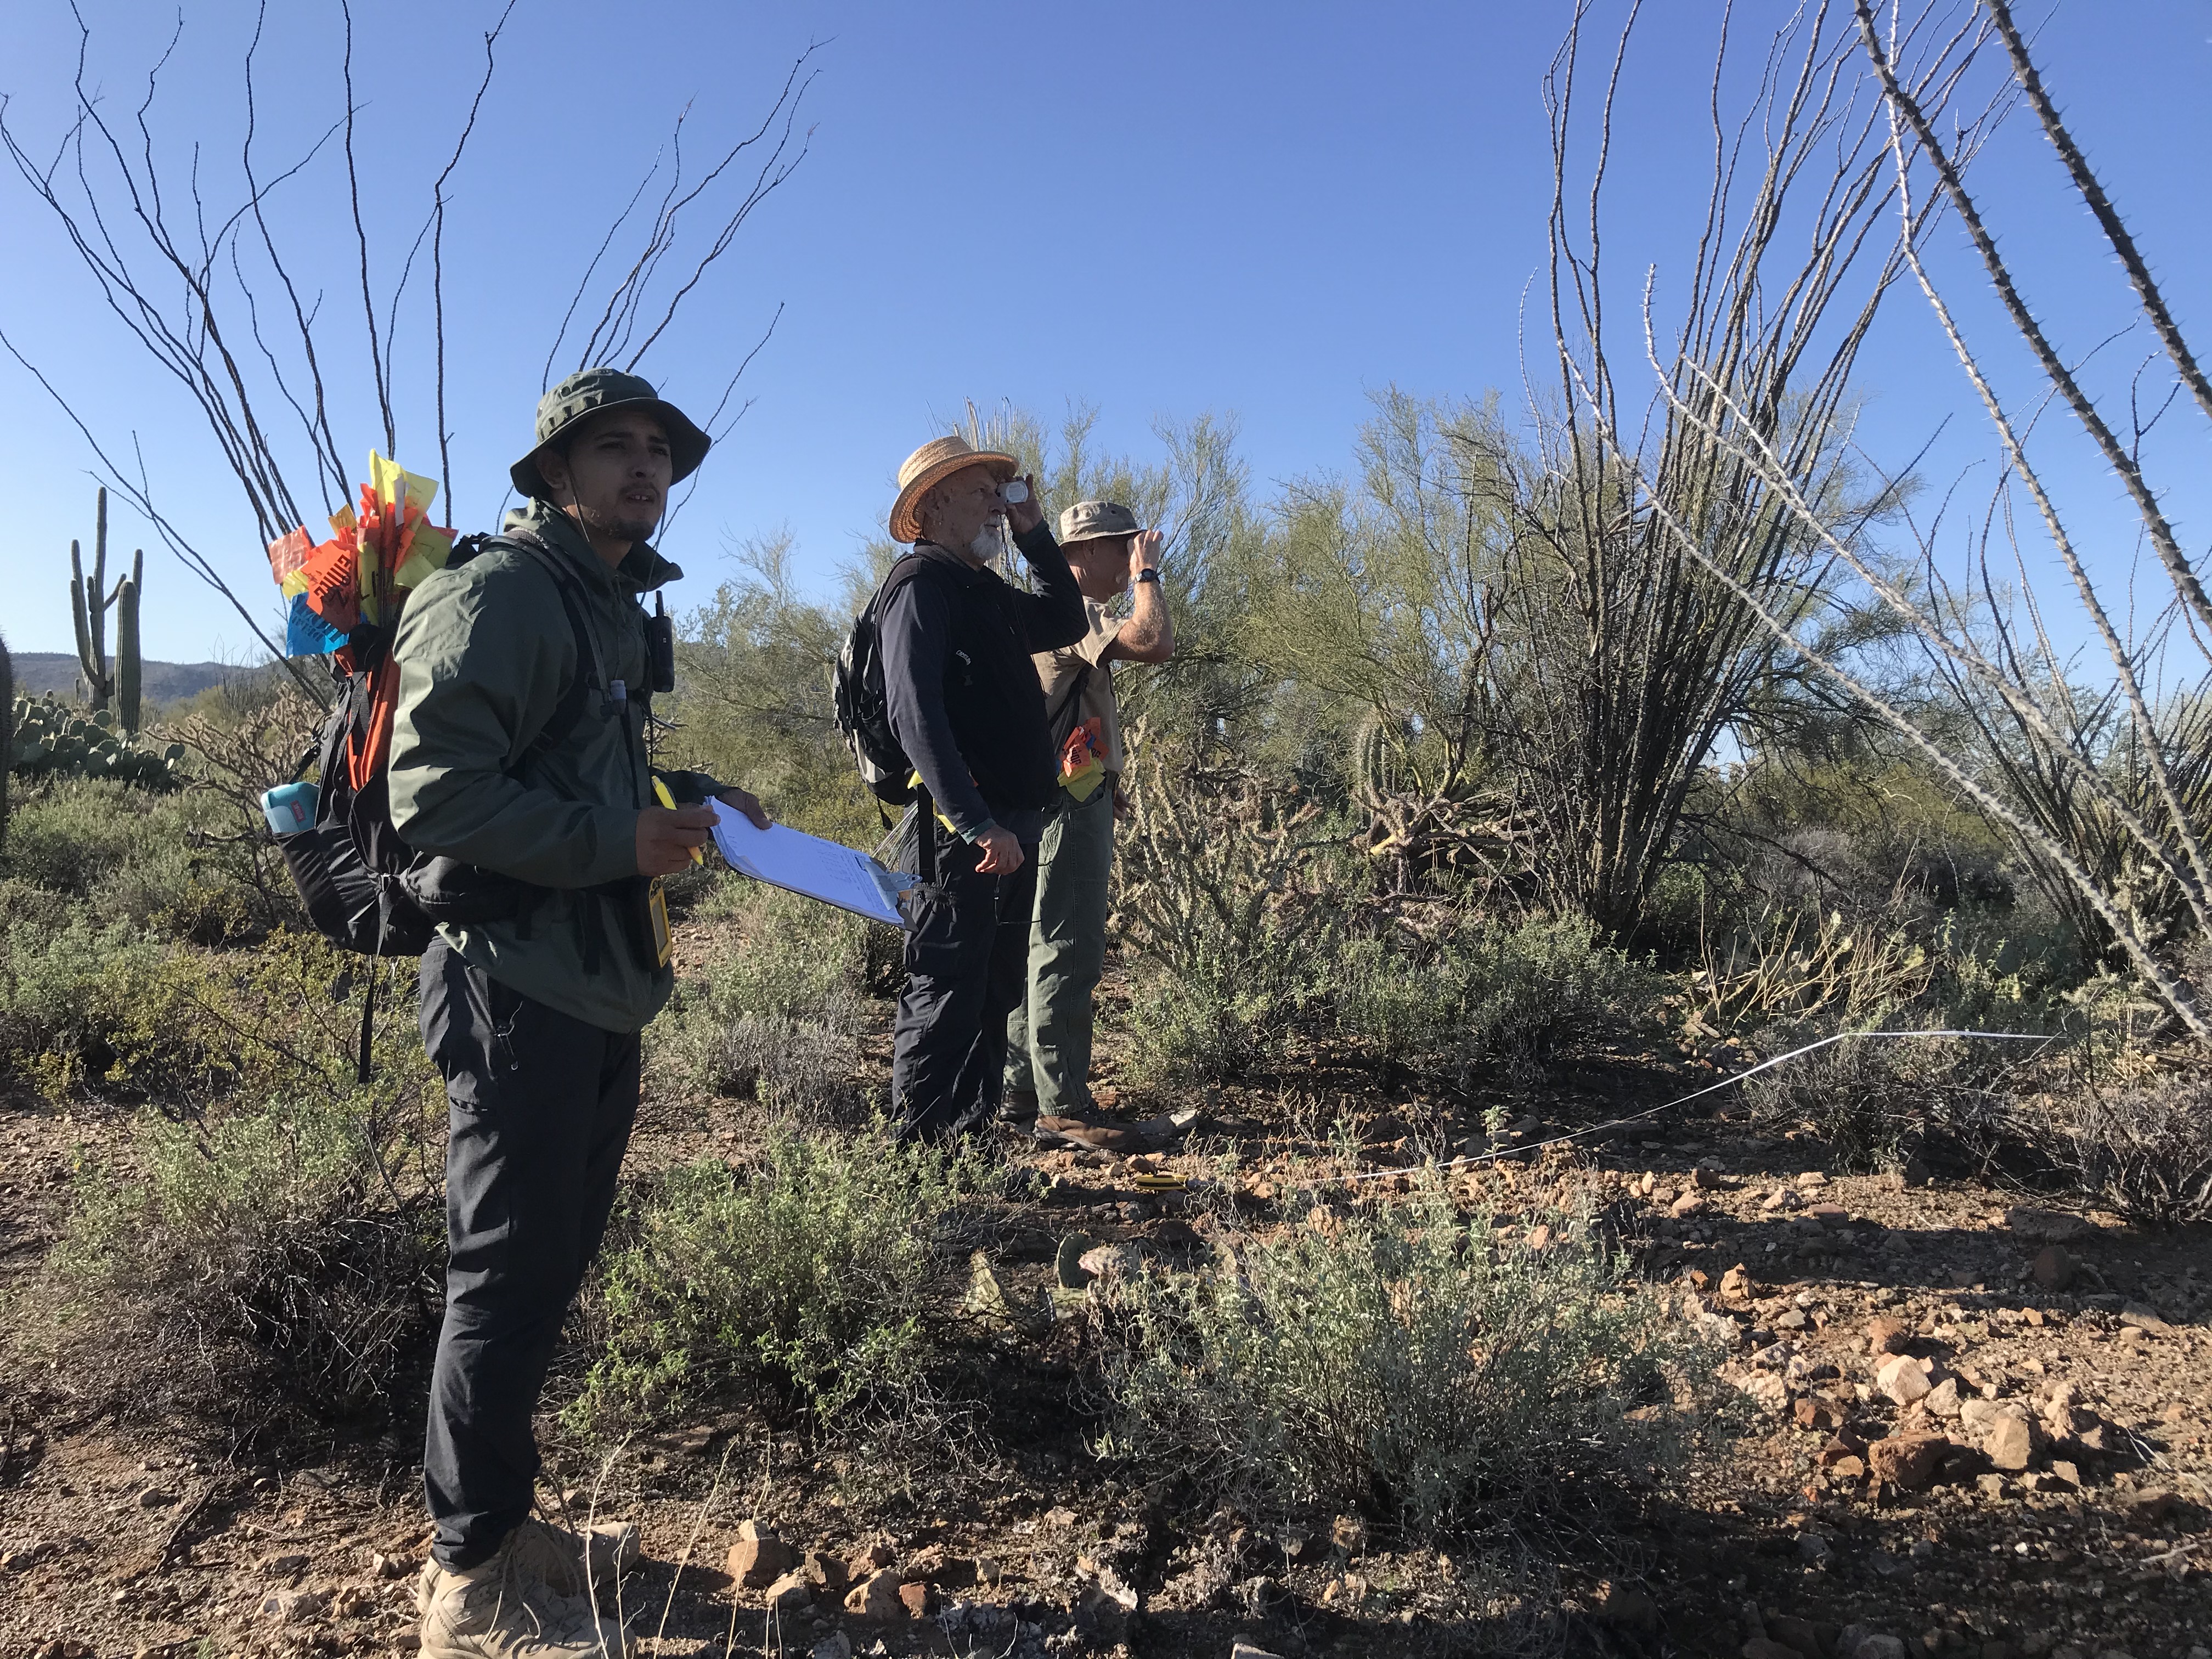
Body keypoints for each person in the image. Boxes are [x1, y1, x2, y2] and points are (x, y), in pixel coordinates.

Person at [388, 367, 770, 1658]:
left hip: (595, 981)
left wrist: (699, 797)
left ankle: (502, 1524)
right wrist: (620, 839)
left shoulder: (602, 603)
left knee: (548, 1263)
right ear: (556, 474)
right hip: (516, 982)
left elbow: (589, 765)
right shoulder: (499, 594)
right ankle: (466, 1583)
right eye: (614, 448)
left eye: (659, 450)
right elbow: (432, 800)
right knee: (502, 1271)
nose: (646, 468)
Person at [876, 435, 1086, 1141]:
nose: (997, 502)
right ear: (931, 507)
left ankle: (971, 1144)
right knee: (944, 987)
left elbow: (1066, 618)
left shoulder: (982, 588)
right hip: (962, 830)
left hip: (1010, 825)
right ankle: (919, 1165)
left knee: (992, 987)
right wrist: (972, 823)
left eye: (1000, 490)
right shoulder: (920, 586)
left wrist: (1034, 538)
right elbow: (915, 714)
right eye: (979, 492)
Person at [1003, 500, 1173, 1125]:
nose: (1132, 555)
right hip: (1067, 806)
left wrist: (1107, 776)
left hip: (1066, 790)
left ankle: (1024, 1087)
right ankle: (1065, 1104)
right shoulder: (1073, 616)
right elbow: (1154, 640)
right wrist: (1148, 578)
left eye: (1136, 546)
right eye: (1123, 545)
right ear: (1085, 552)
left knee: (1039, 942)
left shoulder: (1062, 618)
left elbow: (1072, 701)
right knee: (1068, 946)